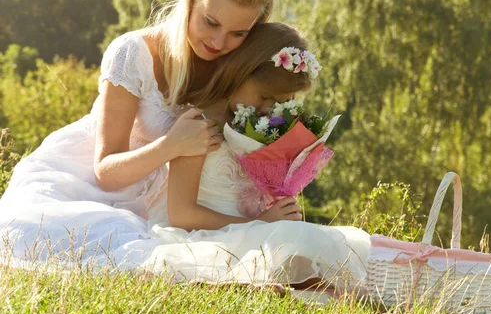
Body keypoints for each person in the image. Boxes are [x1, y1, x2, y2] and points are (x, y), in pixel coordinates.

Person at [0, 0, 279, 266]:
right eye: (210, 22)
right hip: (101, 183)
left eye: (238, 33)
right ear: (190, 4)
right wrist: (171, 145)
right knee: (95, 241)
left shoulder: (237, 71)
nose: (218, 41)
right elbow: (105, 172)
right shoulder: (132, 54)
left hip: (180, 201)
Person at [138, 22, 370, 293]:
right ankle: (246, 286)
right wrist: (259, 223)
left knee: (318, 248)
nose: (267, 109)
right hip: (202, 233)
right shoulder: (198, 123)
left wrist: (279, 202)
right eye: (264, 97)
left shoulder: (258, 125)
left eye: (278, 103)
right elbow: (181, 214)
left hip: (251, 228)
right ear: (240, 71)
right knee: (295, 241)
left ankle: (294, 291)